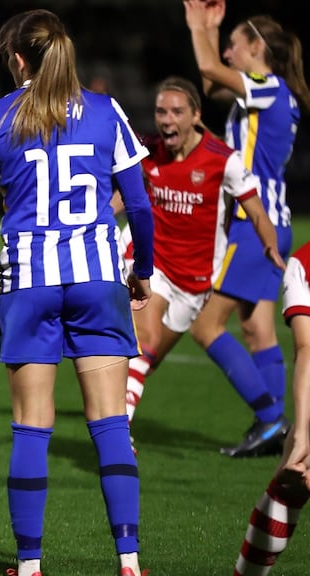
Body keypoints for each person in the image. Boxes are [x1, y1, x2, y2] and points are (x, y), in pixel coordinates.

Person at [0, 10, 154, 576]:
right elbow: (137, 204)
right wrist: (145, 270)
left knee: (32, 426)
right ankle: (129, 562)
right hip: (98, 278)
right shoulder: (106, 111)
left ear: (17, 59)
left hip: (28, 284)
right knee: (110, 423)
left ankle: (31, 566)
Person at [121, 77, 285, 445]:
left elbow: (256, 211)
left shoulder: (223, 160)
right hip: (152, 261)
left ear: (196, 116)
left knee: (145, 360)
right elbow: (125, 196)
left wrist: (270, 247)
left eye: (177, 111)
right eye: (161, 111)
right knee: (144, 341)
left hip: (195, 281)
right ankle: (117, 434)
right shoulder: (149, 152)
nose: (167, 120)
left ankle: (106, 392)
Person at [184, 1, 310, 457]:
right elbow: (210, 80)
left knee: (203, 325)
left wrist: (198, 26)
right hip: (273, 224)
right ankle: (275, 428)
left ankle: (271, 417)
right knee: (258, 329)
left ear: (257, 47)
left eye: (236, 45)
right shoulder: (270, 93)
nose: (230, 53)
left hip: (254, 225)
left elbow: (207, 68)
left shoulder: (269, 87)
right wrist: (213, 31)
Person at [233, 240, 310, 575]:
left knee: (292, 479)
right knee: (291, 481)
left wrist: (303, 435)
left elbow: (307, 350)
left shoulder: (302, 264)